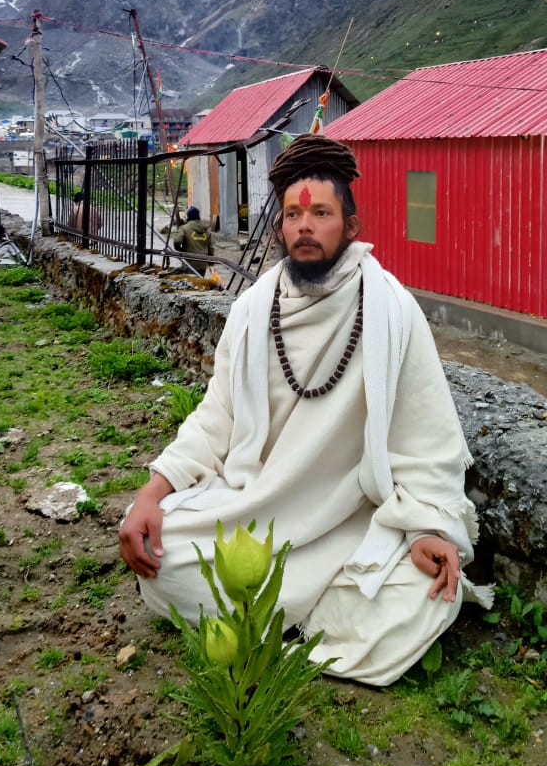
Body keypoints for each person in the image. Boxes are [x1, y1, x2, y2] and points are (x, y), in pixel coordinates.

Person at [119, 134, 491, 686]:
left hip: (351, 525)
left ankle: (282, 615)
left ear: (351, 225)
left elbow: (423, 438)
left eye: (321, 212)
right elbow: (216, 417)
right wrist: (152, 493)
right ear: (279, 229)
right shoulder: (251, 310)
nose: (305, 225)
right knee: (163, 554)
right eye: (293, 213)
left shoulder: (391, 309)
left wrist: (426, 530)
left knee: (429, 593)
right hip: (256, 516)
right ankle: (311, 614)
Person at [173, 206, 213, 276]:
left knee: (190, 284)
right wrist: (211, 264)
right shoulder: (206, 230)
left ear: (189, 216)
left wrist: (180, 250)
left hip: (190, 262)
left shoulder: (184, 228)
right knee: (199, 283)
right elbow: (211, 249)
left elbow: (177, 241)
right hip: (203, 263)